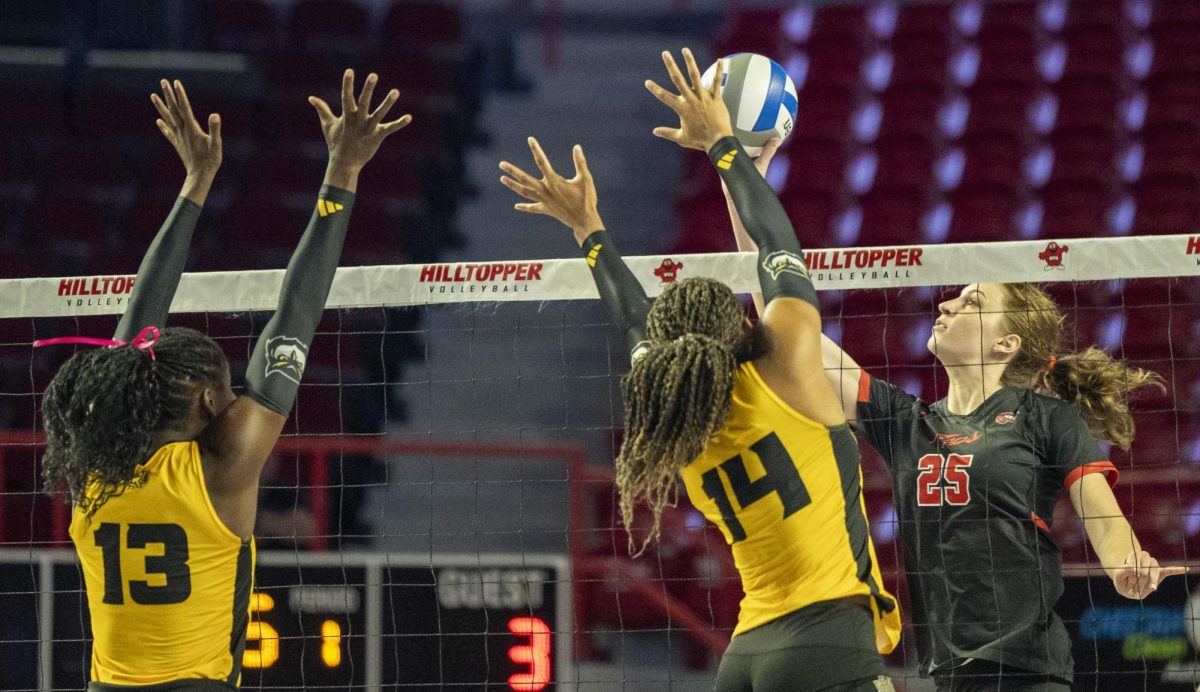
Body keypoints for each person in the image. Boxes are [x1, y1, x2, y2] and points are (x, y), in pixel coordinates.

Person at [500, 47, 900, 692]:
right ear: (738, 323)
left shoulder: (682, 418)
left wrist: (588, 229)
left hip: (745, 653)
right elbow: (777, 244)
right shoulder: (790, 368)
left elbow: (636, 325)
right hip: (825, 634)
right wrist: (722, 145)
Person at [724, 140, 1188, 691]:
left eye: (971, 302)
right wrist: (743, 182)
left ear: (1007, 343)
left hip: (1027, 671)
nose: (945, 305)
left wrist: (1127, 564)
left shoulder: (1045, 419)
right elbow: (782, 327)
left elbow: (1100, 513)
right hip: (944, 672)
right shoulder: (906, 421)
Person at [39, 71, 410, 690]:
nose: (240, 395)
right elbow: (298, 310)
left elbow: (131, 337)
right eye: (231, 387)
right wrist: (342, 172)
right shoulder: (222, 468)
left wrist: (194, 183)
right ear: (212, 401)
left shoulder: (91, 469)